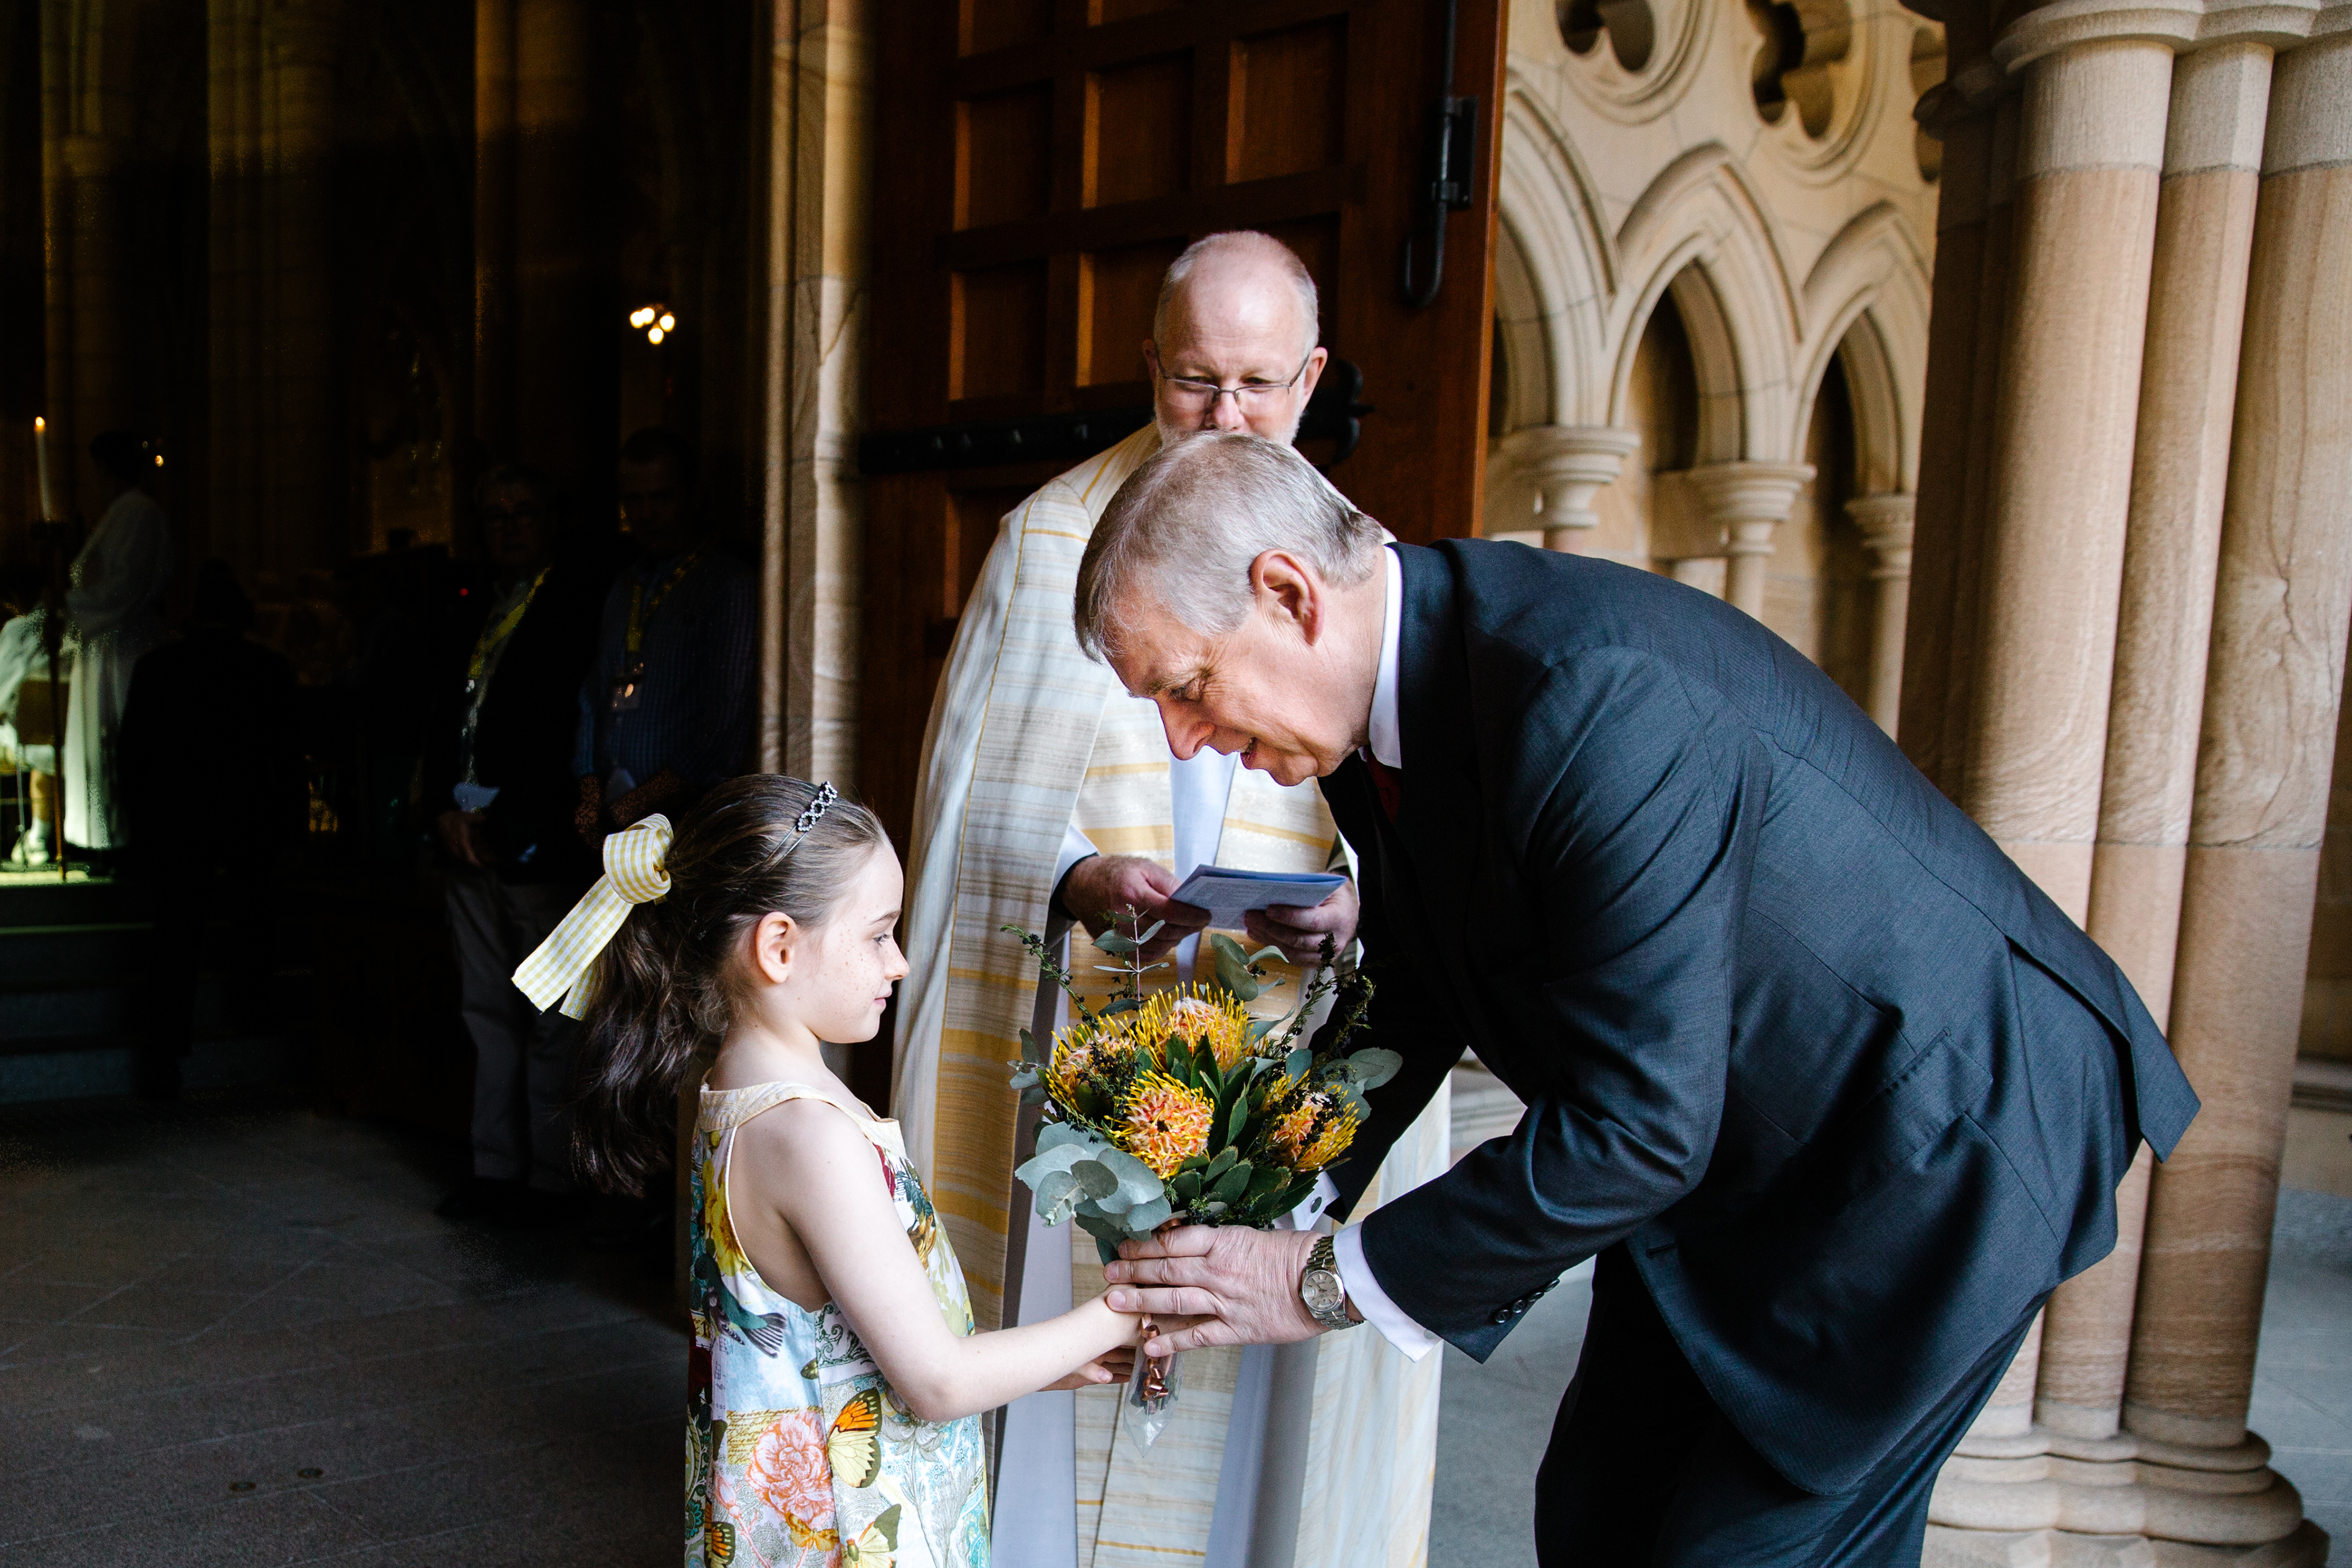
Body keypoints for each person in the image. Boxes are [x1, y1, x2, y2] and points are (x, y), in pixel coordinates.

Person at [1078, 434, 2202, 1567]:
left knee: (1748, 1550)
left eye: (1185, 686)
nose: (1184, 740)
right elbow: (1418, 984)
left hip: (1931, 1141)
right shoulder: (1376, 711)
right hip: (1722, 1143)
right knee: (1598, 1515)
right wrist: (1278, 1196)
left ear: (1289, 594)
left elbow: (1639, 1129)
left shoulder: (1590, 696)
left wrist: (1317, 1282)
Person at [892, 231, 1452, 1567]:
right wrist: (1075, 878)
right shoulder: (1047, 546)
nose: (1227, 417)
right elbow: (974, 824)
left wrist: (1359, 912)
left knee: (1260, 1416)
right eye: (1196, 382)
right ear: (1152, 364)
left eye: (1260, 385)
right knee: (1054, 1393)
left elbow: (1429, 835)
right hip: (1077, 1055)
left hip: (1278, 1063)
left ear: (1313, 376)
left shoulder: (1357, 569)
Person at [523, 774, 1147, 1568]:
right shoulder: (806, 1134)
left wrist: (1051, 1361)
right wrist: (1123, 1313)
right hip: (861, 1536)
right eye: (878, 933)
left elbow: (863, 1343)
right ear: (779, 947)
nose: (901, 963)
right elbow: (938, 1383)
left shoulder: (745, 1093)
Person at [424, 464, 613, 1224]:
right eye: (494, 514)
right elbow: (439, 714)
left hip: (534, 849)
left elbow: (567, 736)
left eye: (522, 511)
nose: (507, 526)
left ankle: (549, 1180)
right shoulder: (468, 604)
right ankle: (495, 1167)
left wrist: (511, 828)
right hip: (462, 843)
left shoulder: (574, 607)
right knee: (484, 1011)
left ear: (548, 519)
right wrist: (443, 810)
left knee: (550, 1021)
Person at [116, 561, 305, 1098]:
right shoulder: (265, 668)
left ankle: (165, 1046)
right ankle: (252, 1011)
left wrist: (142, 825)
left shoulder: (158, 667)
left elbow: (132, 756)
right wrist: (293, 831)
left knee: (176, 932)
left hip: (179, 816)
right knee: (252, 916)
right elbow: (288, 760)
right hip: (246, 813)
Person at [572, 428, 756, 848]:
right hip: (613, 821)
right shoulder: (625, 587)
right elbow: (592, 697)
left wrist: (635, 805)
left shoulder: (728, 584)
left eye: (662, 497)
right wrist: (589, 794)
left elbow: (723, 728)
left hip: (681, 824)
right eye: (634, 501)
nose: (647, 514)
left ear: (695, 496)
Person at [64, 430, 176, 859]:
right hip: (104, 639)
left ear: (109, 469)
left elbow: (125, 585)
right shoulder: (119, 513)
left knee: (120, 740)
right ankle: (104, 838)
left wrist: (70, 603)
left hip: (125, 642)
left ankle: (129, 840)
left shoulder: (139, 514)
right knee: (99, 743)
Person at [0, 566, 71, 865]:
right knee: (48, 741)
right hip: (67, 733)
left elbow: (4, 682)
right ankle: (39, 835)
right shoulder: (74, 625)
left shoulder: (19, 629)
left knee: (37, 738)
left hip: (33, 733)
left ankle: (38, 836)